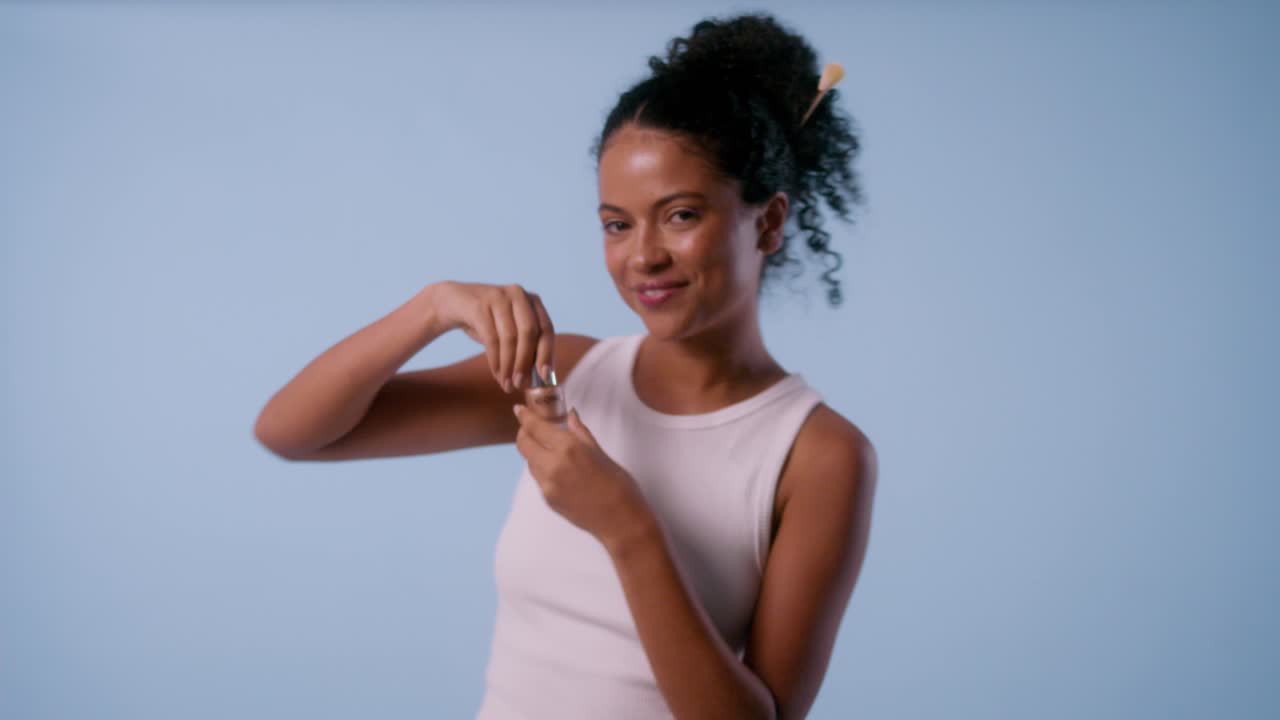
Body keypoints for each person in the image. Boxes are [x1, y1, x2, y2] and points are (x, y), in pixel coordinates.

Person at [254, 11, 877, 720]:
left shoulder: (819, 455)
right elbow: (291, 432)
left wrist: (627, 529)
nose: (642, 256)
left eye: (679, 215)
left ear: (767, 222)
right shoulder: (567, 376)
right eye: (617, 223)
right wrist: (431, 308)